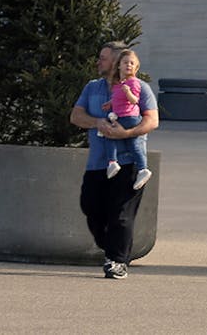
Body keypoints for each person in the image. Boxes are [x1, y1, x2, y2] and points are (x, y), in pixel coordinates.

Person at [69, 41, 158, 279]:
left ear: (118, 63)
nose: (99, 62)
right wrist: (97, 122)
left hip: (129, 164)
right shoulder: (92, 88)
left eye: (104, 58)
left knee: (121, 214)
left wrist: (125, 133)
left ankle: (117, 262)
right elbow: (76, 116)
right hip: (99, 163)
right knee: (90, 207)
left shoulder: (140, 88)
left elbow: (152, 121)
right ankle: (111, 248)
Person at [101, 48, 152, 190]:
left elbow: (134, 100)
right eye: (125, 62)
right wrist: (110, 103)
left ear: (136, 67)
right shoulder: (119, 85)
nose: (128, 65)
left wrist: (129, 92)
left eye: (132, 63)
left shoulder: (133, 82)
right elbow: (118, 98)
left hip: (129, 117)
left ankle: (112, 162)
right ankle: (142, 169)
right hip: (123, 116)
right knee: (133, 144)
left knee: (108, 134)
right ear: (119, 66)